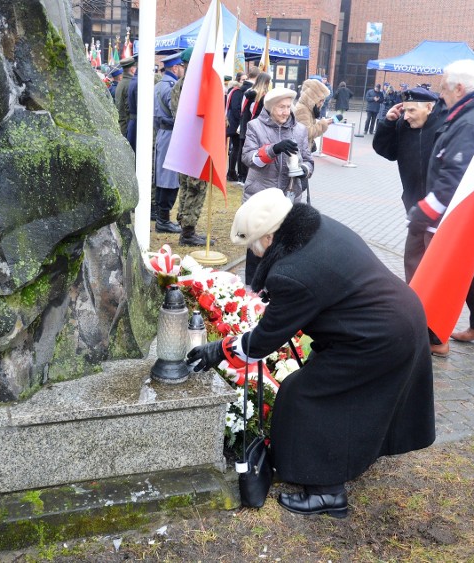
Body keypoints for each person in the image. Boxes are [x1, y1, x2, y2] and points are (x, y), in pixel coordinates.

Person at [187, 188, 436, 519]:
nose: (253, 251)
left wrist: (216, 350)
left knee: (306, 396)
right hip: (393, 318)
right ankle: (349, 456)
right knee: (339, 394)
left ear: (272, 235)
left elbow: (262, 343)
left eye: (254, 243)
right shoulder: (315, 228)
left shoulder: (293, 273)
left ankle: (327, 494)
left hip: (379, 336)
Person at [407, 59, 474, 349]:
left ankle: (433, 335)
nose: (441, 94)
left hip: (452, 214)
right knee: (470, 267)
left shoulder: (471, 120)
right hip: (469, 211)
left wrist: (424, 211)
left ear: (459, 88)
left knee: (432, 266)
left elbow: (454, 176)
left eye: (444, 88)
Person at [372, 87, 448, 356]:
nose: (407, 116)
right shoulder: (403, 124)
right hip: (416, 206)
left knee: (438, 269)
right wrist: (388, 123)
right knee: (414, 263)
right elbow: (385, 150)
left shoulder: (446, 124)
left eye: (412, 110)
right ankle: (422, 322)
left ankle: (438, 333)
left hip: (442, 208)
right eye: (405, 110)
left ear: (430, 107)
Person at [240, 87, 313, 284]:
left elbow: (308, 160)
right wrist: (273, 150)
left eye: (288, 107)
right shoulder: (255, 126)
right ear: (270, 107)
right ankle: (252, 292)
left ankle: (277, 291)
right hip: (260, 198)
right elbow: (248, 158)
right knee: (258, 248)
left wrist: (303, 170)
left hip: (289, 198)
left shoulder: (300, 130)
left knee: (283, 248)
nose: (285, 112)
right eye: (281, 107)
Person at [170, 47, 213, 246]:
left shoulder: (179, 85)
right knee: (196, 187)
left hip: (183, 143)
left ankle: (186, 228)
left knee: (187, 186)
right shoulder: (196, 87)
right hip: (195, 144)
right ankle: (188, 232)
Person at [153, 52, 185, 233]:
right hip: (171, 134)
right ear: (175, 68)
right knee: (170, 179)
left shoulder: (158, 85)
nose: (182, 70)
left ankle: (161, 218)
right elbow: (178, 115)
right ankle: (163, 220)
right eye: (181, 67)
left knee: (163, 176)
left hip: (163, 133)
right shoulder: (172, 87)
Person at [238, 72, 272, 182]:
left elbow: (244, 110)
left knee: (244, 150)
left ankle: (241, 176)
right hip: (256, 126)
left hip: (246, 124)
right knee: (253, 152)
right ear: (266, 82)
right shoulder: (262, 96)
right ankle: (247, 176)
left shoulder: (249, 93)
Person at [228, 67, 257, 182]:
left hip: (239, 124)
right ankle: (231, 171)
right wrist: (239, 122)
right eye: (242, 79)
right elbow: (236, 108)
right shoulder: (238, 91)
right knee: (236, 149)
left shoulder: (240, 90)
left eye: (245, 78)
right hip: (236, 124)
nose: (243, 81)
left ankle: (233, 172)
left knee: (237, 148)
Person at [293, 78, 331, 154]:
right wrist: (323, 124)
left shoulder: (308, 108)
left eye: (323, 100)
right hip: (301, 151)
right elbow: (306, 133)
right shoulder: (303, 110)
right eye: (320, 100)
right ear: (312, 98)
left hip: (303, 149)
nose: (322, 103)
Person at [114, 56, 137, 140]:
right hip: (127, 126)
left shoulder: (121, 83)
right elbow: (128, 108)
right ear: (132, 69)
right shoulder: (130, 84)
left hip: (122, 125)